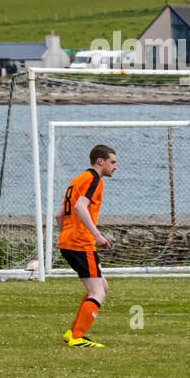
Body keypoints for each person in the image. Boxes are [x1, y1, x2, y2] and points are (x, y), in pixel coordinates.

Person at [55, 144, 117, 348]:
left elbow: (59, 215)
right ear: (101, 161)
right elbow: (80, 207)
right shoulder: (94, 180)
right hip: (81, 243)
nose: (115, 167)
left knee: (102, 286)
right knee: (97, 292)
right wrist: (96, 235)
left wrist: (66, 234)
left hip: (69, 241)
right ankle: (77, 336)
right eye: (113, 162)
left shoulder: (77, 180)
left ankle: (72, 332)